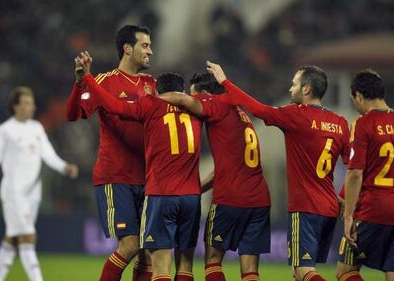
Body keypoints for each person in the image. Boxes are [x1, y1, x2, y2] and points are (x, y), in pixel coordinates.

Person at [205, 61, 350, 281]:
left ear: (306, 89)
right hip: (330, 209)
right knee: (298, 273)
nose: (289, 89)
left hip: (306, 208)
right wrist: (342, 196)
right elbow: (356, 166)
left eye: (294, 84)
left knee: (303, 270)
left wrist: (225, 82)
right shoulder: (340, 123)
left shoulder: (296, 115)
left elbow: (257, 109)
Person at [76, 51, 202, 281]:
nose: (150, 50)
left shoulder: (151, 107)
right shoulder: (197, 112)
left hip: (160, 193)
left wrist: (88, 79)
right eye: (145, 45)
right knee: (183, 264)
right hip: (192, 196)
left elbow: (115, 106)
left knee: (157, 263)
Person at [159, 73, 271, 281]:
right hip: (259, 200)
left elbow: (182, 99)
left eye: (195, 97)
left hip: (230, 198)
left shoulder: (216, 105)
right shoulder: (241, 115)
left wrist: (147, 100)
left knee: (212, 260)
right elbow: (226, 168)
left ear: (205, 94)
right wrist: (196, 188)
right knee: (250, 270)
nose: (192, 103)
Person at [67, 25, 156, 281]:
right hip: (116, 177)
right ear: (128, 48)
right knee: (129, 246)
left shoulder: (153, 84)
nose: (151, 50)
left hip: (148, 179)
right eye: (145, 45)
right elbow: (73, 114)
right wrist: (79, 83)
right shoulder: (105, 81)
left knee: (147, 252)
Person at [0, 86, 78, 281]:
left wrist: (63, 166)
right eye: (25, 103)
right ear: (15, 106)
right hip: (13, 193)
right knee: (28, 238)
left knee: (13, 239)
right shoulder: (4, 131)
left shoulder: (36, 128)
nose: (30, 106)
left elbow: (48, 154)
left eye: (31, 103)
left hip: (33, 193)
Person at [337, 70, 394, 281]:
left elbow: (354, 174)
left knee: (346, 271)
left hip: (373, 210)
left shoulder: (364, 123)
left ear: (359, 96)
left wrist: (349, 215)